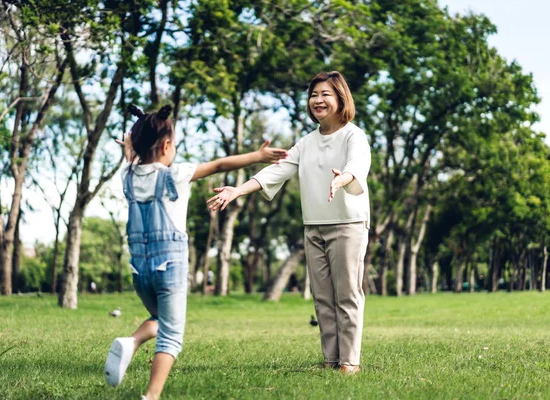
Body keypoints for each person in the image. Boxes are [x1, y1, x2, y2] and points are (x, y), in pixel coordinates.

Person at [104, 104, 288, 399]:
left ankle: (133, 341)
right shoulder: (175, 174)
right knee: (171, 336)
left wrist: (129, 145)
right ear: (166, 145)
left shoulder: (128, 174)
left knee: (161, 318)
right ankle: (151, 396)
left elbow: (131, 156)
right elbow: (218, 165)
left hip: (140, 270)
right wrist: (257, 156)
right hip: (170, 267)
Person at [207, 71, 370, 375]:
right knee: (322, 297)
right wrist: (238, 189)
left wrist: (343, 179)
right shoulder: (306, 143)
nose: (317, 100)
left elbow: (356, 166)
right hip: (314, 226)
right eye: (313, 95)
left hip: (348, 223)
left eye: (325, 94)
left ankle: (350, 361)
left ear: (341, 98)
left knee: (346, 294)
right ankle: (331, 358)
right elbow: (277, 171)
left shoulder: (353, 135)